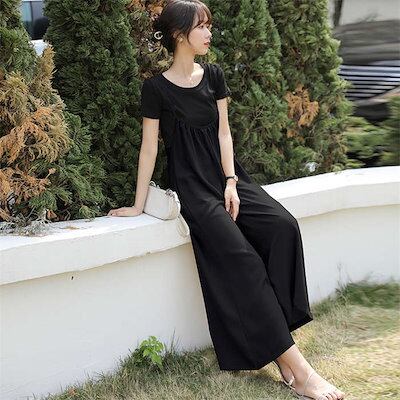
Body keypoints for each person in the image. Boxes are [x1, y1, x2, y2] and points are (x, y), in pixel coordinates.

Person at [108, 1, 346, 399]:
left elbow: (224, 134)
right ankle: (300, 371)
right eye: (201, 26)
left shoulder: (214, 76)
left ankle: (277, 337)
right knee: (243, 260)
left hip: (228, 180)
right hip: (192, 188)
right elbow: (149, 149)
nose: (209, 33)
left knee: (283, 227)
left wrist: (232, 182)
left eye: (209, 25)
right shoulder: (156, 89)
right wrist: (137, 204)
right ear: (179, 34)